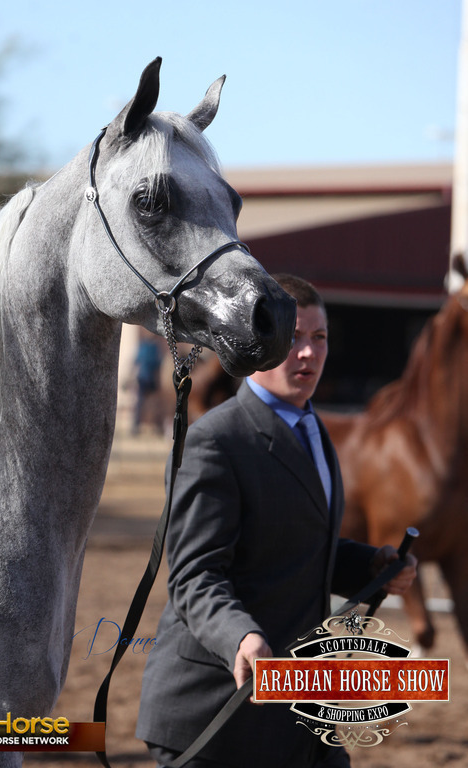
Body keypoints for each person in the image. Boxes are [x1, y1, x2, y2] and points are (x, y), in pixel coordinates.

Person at [136, 274, 417, 768]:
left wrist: (372, 566)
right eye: (292, 339)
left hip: (298, 708)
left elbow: (299, 545)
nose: (307, 353)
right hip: (216, 714)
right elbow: (194, 576)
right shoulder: (216, 441)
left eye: (319, 338)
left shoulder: (314, 430)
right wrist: (241, 635)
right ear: (259, 342)